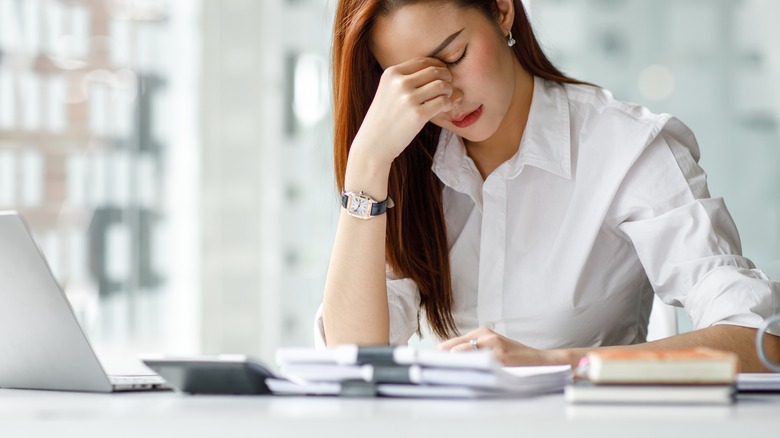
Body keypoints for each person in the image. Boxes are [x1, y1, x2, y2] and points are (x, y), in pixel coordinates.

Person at [316, 0, 780, 371]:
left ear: (501, 11)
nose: (448, 97)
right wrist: (366, 166)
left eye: (454, 57)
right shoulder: (408, 166)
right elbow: (351, 360)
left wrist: (553, 364)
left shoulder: (624, 147)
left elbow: (759, 340)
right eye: (414, 85)